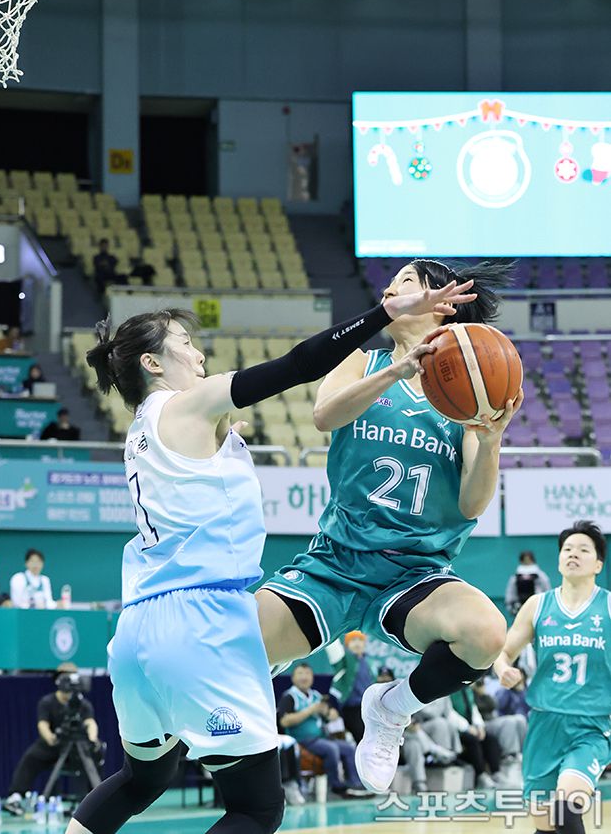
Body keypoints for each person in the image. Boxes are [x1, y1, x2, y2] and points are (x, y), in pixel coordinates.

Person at [63, 282, 472, 834]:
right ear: (152, 363)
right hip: (201, 623)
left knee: (142, 780)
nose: (199, 355)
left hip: (136, 630)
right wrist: (382, 313)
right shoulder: (190, 404)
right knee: (256, 809)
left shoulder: (143, 429)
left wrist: (227, 440)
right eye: (184, 343)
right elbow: (298, 365)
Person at [256, 258, 523, 794]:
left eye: (404, 281)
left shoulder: (467, 395)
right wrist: (397, 372)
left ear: (440, 303)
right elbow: (324, 415)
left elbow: (472, 504)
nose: (387, 290)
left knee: (487, 635)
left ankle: (392, 707)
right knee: (235, 644)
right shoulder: (362, 360)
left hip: (415, 573)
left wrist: (491, 439)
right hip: (335, 563)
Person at [494, 521, 611, 834]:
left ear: (598, 564)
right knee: (545, 825)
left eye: (583, 550)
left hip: (590, 725)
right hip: (544, 723)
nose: (573, 554)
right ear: (559, 560)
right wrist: (503, 669)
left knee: (566, 808)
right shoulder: (537, 605)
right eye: (568, 549)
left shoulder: (608, 606)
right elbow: (504, 651)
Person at [4, 665, 100, 816]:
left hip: (78, 746)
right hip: (55, 744)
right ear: (58, 680)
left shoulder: (83, 704)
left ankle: (96, 800)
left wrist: (92, 739)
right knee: (31, 756)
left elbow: (90, 723)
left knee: (97, 754)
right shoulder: (47, 702)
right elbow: (42, 724)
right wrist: (50, 738)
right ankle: (15, 797)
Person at [277, 663, 369, 798]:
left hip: (322, 738)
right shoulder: (289, 697)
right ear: (293, 678)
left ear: (312, 677)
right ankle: (336, 786)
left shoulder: (316, 696)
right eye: (300, 674)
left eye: (307, 673)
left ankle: (355, 784)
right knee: (331, 748)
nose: (304, 677)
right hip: (302, 740)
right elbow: (284, 721)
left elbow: (333, 715)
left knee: (349, 748)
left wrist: (327, 713)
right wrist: (310, 710)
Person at [451, 685, 502, 788]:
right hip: (457, 729)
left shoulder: (467, 689)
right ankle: (481, 775)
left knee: (490, 739)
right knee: (472, 741)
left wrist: (479, 726)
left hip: (472, 727)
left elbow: (474, 709)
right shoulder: (449, 690)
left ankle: (496, 773)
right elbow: (449, 713)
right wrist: (467, 727)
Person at [327, 630, 374, 743]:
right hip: (351, 707)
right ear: (347, 645)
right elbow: (333, 648)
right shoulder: (344, 659)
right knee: (361, 737)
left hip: (368, 707)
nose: (357, 643)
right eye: (353, 640)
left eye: (360, 640)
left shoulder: (368, 661)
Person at [505, 550, 551, 616]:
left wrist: (546, 604)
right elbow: (510, 591)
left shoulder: (540, 575)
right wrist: (510, 606)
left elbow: (547, 588)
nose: (527, 562)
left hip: (536, 605)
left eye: (529, 560)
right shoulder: (515, 577)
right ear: (521, 561)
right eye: (525, 560)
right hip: (520, 605)